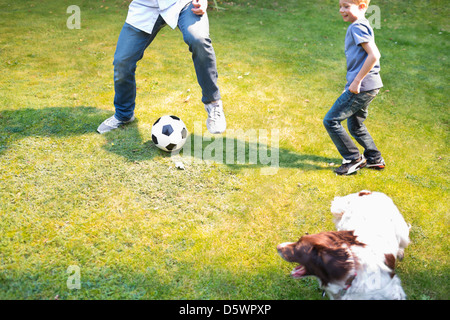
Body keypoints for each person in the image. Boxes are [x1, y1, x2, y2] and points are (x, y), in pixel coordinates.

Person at [97, 0, 226, 134]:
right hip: (145, 6)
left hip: (183, 3)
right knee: (122, 61)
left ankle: (213, 103)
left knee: (198, 39)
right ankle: (124, 114)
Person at [323, 0, 385, 175]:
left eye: (347, 6)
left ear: (362, 7)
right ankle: (374, 158)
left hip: (362, 86)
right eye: (340, 6)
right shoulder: (361, 25)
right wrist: (349, 84)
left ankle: (353, 159)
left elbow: (374, 55)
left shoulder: (357, 27)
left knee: (331, 120)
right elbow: (360, 59)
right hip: (369, 86)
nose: (342, 10)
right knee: (356, 125)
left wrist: (356, 82)